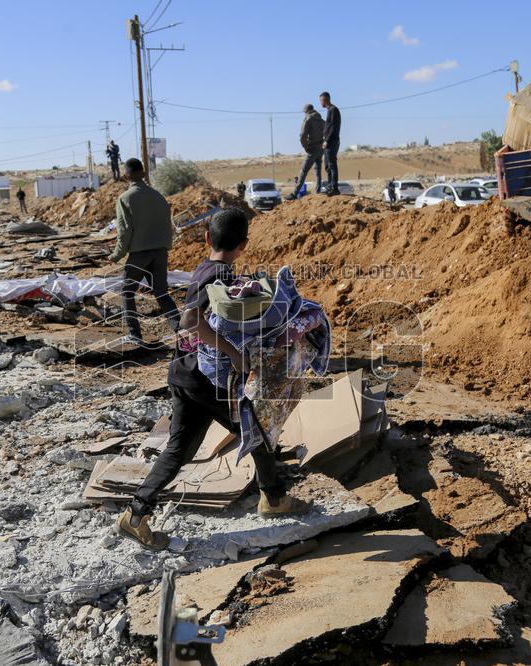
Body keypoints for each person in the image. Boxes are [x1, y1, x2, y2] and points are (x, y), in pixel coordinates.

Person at [115, 208, 309, 550]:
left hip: (184, 373)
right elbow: (191, 321)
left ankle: (135, 514)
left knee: (179, 449)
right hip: (206, 380)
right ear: (245, 245)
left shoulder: (206, 269)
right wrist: (234, 352)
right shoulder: (219, 275)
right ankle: (274, 499)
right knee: (259, 429)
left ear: (206, 238)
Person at [108, 158, 180, 344]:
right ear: (144, 173)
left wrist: (117, 255)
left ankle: (134, 334)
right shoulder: (158, 196)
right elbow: (167, 225)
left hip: (140, 254)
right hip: (161, 252)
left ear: (126, 176)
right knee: (161, 292)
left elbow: (124, 232)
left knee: (127, 291)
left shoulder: (125, 199)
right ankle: (182, 332)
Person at [286, 104, 324, 200]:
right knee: (317, 170)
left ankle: (295, 193)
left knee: (303, 171)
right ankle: (318, 189)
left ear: (306, 111)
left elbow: (303, 135)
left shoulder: (308, 119)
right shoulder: (321, 120)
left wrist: (305, 147)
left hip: (312, 149)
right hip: (321, 148)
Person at [319, 91, 341, 196]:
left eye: (321, 100)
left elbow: (332, 127)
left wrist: (326, 140)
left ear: (325, 99)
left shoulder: (333, 110)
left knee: (332, 165)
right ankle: (329, 187)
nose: (320, 103)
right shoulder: (330, 110)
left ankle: (334, 187)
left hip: (332, 142)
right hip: (328, 142)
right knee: (327, 166)